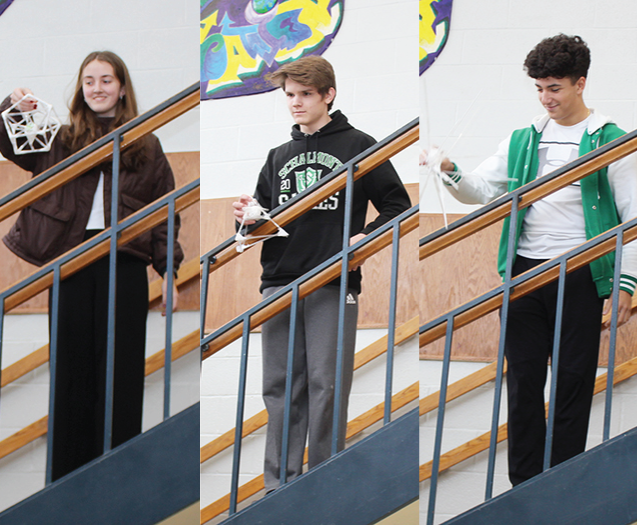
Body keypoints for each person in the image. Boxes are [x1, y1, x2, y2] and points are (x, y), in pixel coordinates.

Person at [430, 34, 637, 486]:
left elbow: (633, 216)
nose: (547, 98)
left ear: (581, 84)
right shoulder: (523, 139)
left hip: (583, 273)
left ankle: (561, 482)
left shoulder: (613, 140)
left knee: (573, 381)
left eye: (555, 88)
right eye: (540, 88)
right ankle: (523, 487)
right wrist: (450, 171)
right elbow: (482, 190)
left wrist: (626, 286)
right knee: (523, 381)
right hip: (524, 273)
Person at [0, 50, 183, 482]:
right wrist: (13, 107)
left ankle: (117, 480)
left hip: (125, 264)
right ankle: (67, 483)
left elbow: (164, 212)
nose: (97, 88)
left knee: (122, 372)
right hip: (71, 261)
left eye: (106, 80)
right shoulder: (61, 137)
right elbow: (12, 147)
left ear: (121, 87)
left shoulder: (146, 144)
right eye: (89, 80)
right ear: (81, 88)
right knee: (71, 373)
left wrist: (168, 273)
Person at [232, 56, 410, 492]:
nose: (295, 103)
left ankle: (323, 483)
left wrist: (365, 237)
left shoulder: (359, 145)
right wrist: (247, 219)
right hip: (278, 282)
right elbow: (261, 224)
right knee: (279, 387)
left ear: (328, 95)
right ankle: (280, 487)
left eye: (305, 94)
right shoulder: (278, 156)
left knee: (325, 384)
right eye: (290, 95)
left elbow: (397, 204)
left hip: (332, 279)